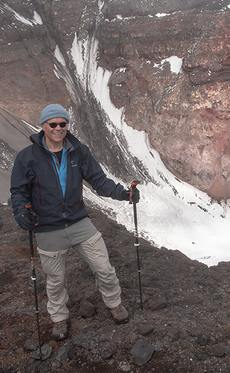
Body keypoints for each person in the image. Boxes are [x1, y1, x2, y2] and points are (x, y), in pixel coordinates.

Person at [10, 104, 140, 341]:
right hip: (48, 227)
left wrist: (123, 193)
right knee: (56, 280)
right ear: (43, 126)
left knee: (104, 267)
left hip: (79, 222)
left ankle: (114, 303)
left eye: (63, 124)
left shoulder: (78, 151)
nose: (59, 128)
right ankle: (59, 318)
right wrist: (20, 213)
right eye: (53, 124)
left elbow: (98, 180)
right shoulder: (27, 157)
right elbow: (18, 191)